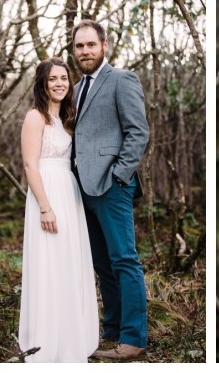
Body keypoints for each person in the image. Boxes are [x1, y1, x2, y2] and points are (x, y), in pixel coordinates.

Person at [70, 19, 150, 362]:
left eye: (90, 44)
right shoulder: (74, 89)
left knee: (124, 260)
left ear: (105, 46)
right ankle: (112, 331)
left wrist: (120, 175)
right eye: (79, 46)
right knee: (102, 264)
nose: (84, 51)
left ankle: (134, 338)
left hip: (112, 185)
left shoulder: (121, 80)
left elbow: (138, 132)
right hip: (81, 188)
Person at [18, 57, 99, 362]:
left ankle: (72, 336)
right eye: (53, 79)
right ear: (43, 83)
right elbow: (30, 164)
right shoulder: (35, 117)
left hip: (69, 192)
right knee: (49, 263)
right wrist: (45, 208)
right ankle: (46, 340)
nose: (60, 83)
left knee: (70, 262)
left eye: (64, 78)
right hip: (47, 192)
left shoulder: (66, 118)